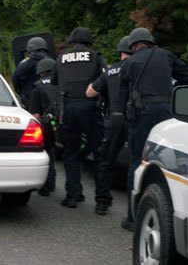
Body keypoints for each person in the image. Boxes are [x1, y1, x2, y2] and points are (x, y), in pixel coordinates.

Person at [116, 27, 188, 231]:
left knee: (137, 160)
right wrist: (172, 89)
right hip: (168, 114)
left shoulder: (129, 63)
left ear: (133, 45)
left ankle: (133, 219)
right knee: (165, 162)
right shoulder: (166, 55)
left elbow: (121, 97)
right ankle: (165, 214)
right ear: (151, 42)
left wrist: (123, 116)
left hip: (141, 115)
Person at [51, 27, 107, 209]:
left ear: (72, 41)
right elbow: (106, 81)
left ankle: (73, 196)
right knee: (99, 153)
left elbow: (54, 82)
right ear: (88, 41)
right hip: (91, 108)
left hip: (68, 109)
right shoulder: (96, 56)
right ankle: (102, 202)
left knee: (71, 153)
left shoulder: (61, 57)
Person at [86, 35, 132, 215]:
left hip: (114, 119)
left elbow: (90, 92)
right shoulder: (138, 68)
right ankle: (133, 209)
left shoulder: (111, 71)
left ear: (120, 51)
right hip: (134, 119)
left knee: (107, 161)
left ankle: (102, 202)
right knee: (136, 162)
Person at [28, 58, 58, 196]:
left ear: (41, 72)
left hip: (47, 125)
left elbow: (35, 113)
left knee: (47, 153)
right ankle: (74, 192)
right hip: (65, 122)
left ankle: (46, 186)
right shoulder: (62, 82)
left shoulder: (38, 86)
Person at [12, 37, 50, 108]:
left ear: (31, 50)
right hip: (48, 97)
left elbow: (16, 76)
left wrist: (20, 90)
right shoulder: (51, 61)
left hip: (30, 97)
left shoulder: (27, 62)